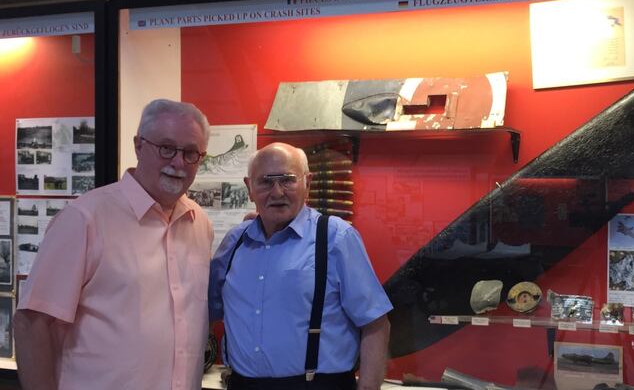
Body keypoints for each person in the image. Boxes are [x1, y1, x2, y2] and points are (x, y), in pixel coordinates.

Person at [14, 99, 213, 390]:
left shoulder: (200, 224)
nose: (178, 162)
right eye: (166, 148)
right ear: (139, 146)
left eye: (191, 153)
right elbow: (32, 324)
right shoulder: (85, 219)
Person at [209, 142, 392, 390]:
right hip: (242, 384)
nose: (277, 192)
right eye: (265, 181)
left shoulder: (337, 238)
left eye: (287, 180)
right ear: (249, 188)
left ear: (308, 183)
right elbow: (206, 312)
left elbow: (375, 325)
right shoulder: (234, 242)